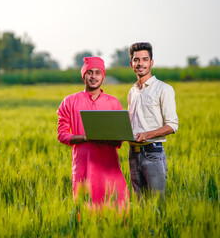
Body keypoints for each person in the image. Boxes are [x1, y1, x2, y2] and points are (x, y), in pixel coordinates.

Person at [57, 57, 128, 209]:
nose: (93, 76)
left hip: (109, 167)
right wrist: (85, 137)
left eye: (97, 73)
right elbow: (62, 135)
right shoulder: (69, 101)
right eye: (89, 72)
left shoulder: (113, 102)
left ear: (103, 76)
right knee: (85, 213)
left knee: (118, 211)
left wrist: (114, 137)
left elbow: (120, 138)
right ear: (84, 76)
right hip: (83, 168)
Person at [127, 42, 179, 198]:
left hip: (153, 153)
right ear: (131, 64)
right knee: (139, 204)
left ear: (151, 62)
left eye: (144, 59)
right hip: (133, 154)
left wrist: (147, 135)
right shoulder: (132, 91)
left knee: (157, 205)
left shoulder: (163, 89)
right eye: (136, 60)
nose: (140, 63)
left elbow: (172, 125)